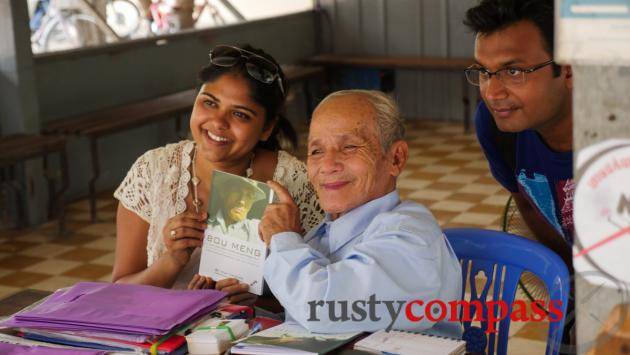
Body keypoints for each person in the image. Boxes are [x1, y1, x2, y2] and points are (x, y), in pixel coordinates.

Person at [112, 45, 324, 306]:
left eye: (240, 114)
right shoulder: (153, 171)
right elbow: (118, 294)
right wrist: (173, 260)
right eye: (209, 103)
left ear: (266, 128)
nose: (218, 122)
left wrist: (258, 301)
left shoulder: (294, 182)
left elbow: (320, 294)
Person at [259, 90, 462, 334]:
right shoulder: (324, 231)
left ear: (396, 159)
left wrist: (282, 238)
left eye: (349, 147)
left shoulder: (410, 238)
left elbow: (320, 308)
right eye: (316, 151)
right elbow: (297, 304)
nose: (327, 165)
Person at [463, 0, 574, 268]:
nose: (492, 94)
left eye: (513, 72)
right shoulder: (496, 128)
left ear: (569, 69)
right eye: (484, 72)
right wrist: (569, 276)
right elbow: (528, 206)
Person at [206, 174, 267, 243]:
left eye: (248, 195)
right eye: (237, 191)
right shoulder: (205, 224)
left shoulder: (258, 231)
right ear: (224, 192)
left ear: (252, 202)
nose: (242, 201)